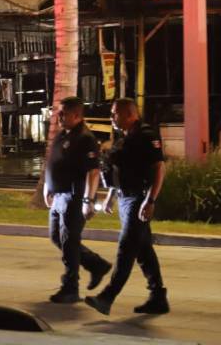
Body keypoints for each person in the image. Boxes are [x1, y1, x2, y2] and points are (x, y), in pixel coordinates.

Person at [85, 98, 169, 315]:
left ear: (130, 114)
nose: (112, 117)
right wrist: (111, 196)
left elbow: (159, 168)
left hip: (138, 200)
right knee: (143, 250)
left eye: (115, 113)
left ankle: (107, 297)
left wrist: (150, 200)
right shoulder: (126, 139)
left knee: (126, 248)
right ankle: (158, 297)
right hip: (125, 199)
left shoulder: (146, 136)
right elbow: (120, 171)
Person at [44, 96, 112, 304]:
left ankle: (70, 287)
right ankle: (96, 264)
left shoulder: (85, 138)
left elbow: (93, 171)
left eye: (63, 113)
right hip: (58, 196)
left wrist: (88, 201)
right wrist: (48, 187)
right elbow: (53, 161)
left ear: (76, 115)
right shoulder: (62, 134)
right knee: (57, 237)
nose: (58, 116)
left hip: (74, 197)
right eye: (58, 112)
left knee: (69, 242)